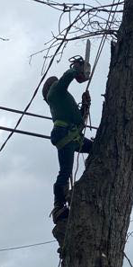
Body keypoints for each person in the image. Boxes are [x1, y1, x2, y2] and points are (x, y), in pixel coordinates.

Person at [42, 58, 93, 223]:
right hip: (65, 135)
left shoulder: (62, 99)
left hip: (72, 135)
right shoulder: (54, 92)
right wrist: (76, 68)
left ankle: (92, 171)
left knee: (95, 148)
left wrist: (84, 107)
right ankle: (58, 206)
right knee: (65, 171)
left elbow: (78, 121)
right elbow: (66, 77)